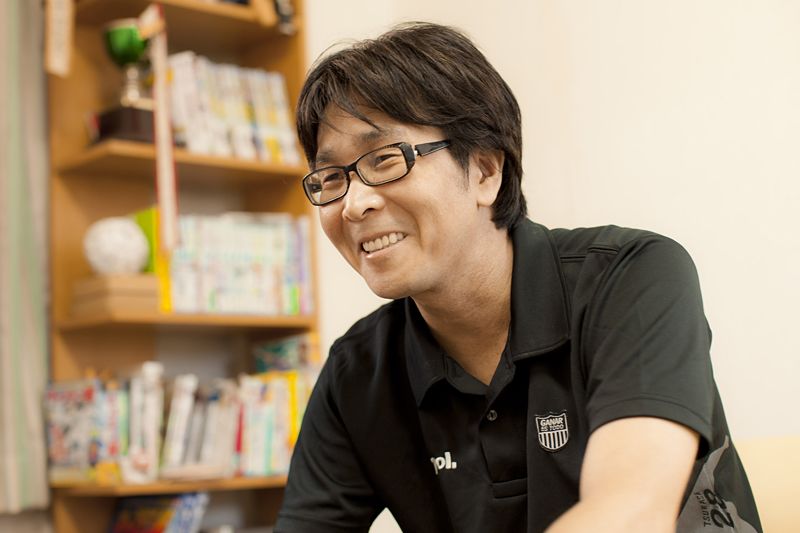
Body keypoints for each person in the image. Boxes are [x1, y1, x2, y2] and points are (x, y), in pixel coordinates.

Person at [274, 22, 761, 533]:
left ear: (485, 170)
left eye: (385, 160)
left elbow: (631, 512)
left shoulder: (632, 277)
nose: (353, 204)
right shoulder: (358, 373)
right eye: (331, 178)